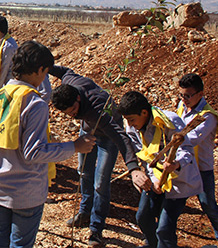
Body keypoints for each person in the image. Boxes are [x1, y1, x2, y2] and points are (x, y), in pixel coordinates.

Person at [0, 41, 95, 248]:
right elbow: (33, 152)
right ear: (39, 70)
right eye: (45, 73)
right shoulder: (34, 104)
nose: (45, 78)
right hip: (25, 193)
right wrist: (74, 146)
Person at [50, 66, 149, 248]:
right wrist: (45, 65)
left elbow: (120, 137)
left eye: (73, 110)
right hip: (88, 131)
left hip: (107, 138)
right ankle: (84, 213)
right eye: (68, 113)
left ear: (78, 98)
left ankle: (96, 230)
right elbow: (64, 72)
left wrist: (133, 167)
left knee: (100, 183)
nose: (72, 114)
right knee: (84, 172)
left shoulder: (99, 110)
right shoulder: (70, 83)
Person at [117, 91, 202, 248]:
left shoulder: (169, 121)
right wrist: (152, 179)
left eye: (132, 120)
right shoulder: (132, 129)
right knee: (143, 216)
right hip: (155, 179)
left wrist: (175, 164)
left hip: (177, 180)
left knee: (164, 229)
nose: (129, 124)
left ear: (144, 112)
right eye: (127, 120)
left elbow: (186, 151)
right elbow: (144, 157)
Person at [175, 73, 218, 240]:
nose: (184, 99)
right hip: (183, 165)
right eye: (181, 95)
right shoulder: (182, 106)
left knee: (208, 205)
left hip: (201, 168)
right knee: (172, 204)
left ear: (200, 94)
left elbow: (192, 139)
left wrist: (173, 139)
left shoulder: (207, 116)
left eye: (188, 96)